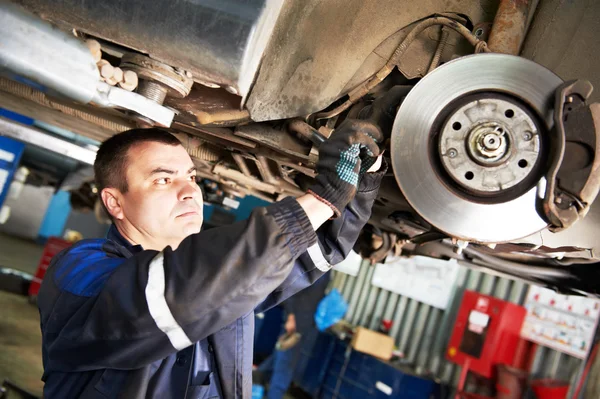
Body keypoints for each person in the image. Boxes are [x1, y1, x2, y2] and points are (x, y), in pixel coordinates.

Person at [37, 120, 386, 398]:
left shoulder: (220, 279)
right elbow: (168, 297)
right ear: (115, 203)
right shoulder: (78, 271)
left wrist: (362, 180)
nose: (190, 190)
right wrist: (321, 199)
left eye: (191, 176)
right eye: (163, 179)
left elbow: (312, 253)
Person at [254, 272, 331, 399]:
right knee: (285, 367)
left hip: (305, 324)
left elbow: (317, 296)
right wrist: (290, 316)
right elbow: (291, 291)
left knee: (278, 358)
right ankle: (273, 394)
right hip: (294, 325)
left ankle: (255, 378)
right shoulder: (314, 267)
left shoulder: (327, 270)